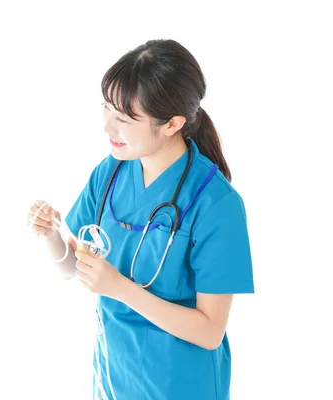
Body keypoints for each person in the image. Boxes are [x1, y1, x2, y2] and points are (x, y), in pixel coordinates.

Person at [27, 39, 254, 400]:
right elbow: (76, 267)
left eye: (124, 118)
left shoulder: (216, 203)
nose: (107, 127)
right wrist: (51, 236)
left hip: (179, 385)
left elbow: (210, 331)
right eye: (106, 109)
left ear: (172, 123)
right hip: (113, 378)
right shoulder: (112, 172)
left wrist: (119, 288)